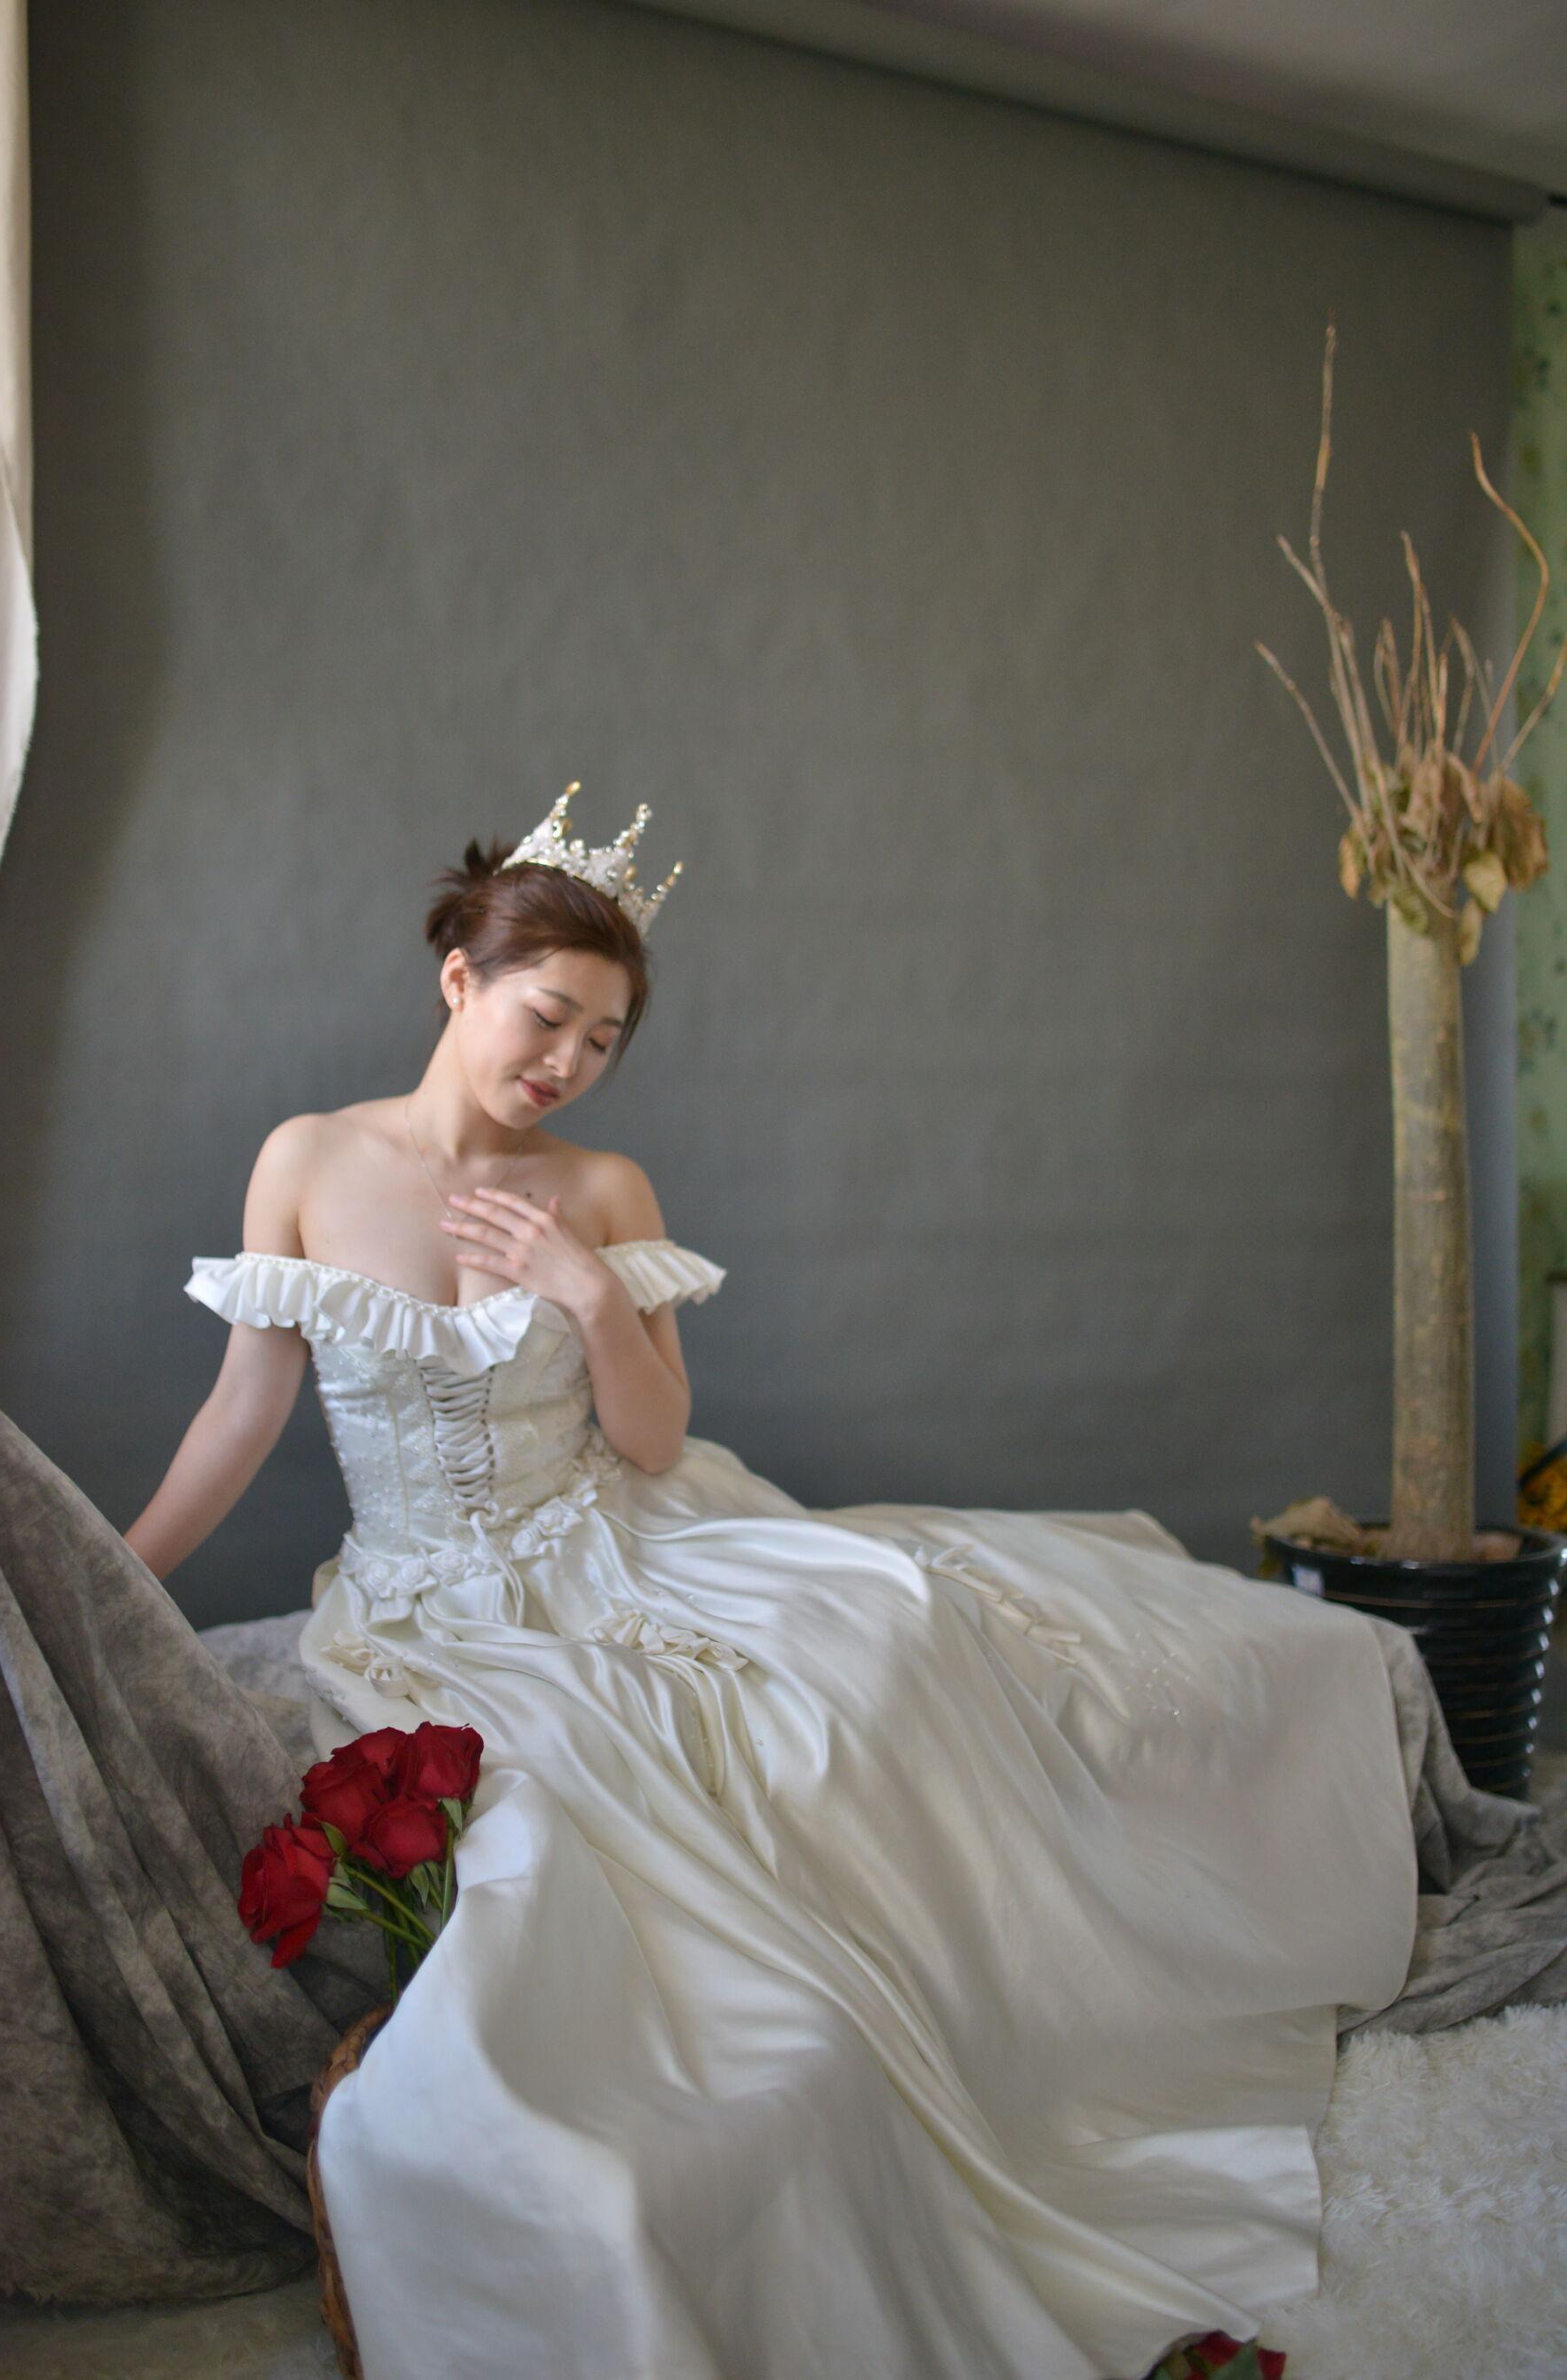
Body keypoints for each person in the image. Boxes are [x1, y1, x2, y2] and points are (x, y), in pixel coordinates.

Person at [115, 787, 1420, 2375]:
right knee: (570, 1833)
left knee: (884, 1648)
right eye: (546, 1016)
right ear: (460, 979)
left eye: (604, 1039)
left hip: (616, 1534)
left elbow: (655, 1441)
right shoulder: (312, 1161)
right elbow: (242, 1414)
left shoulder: (604, 1187)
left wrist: (590, 1294)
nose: (568, 1061)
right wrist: (116, 1589)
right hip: (427, 1596)